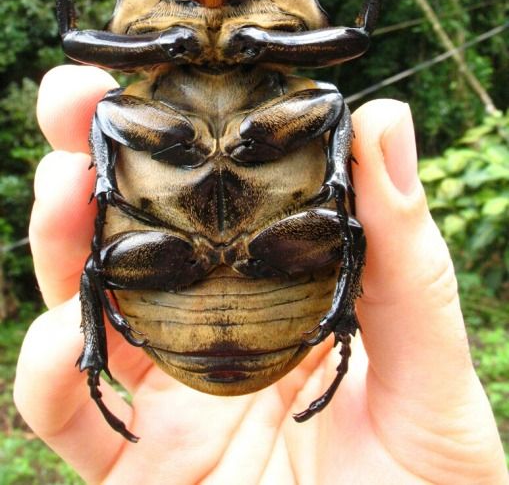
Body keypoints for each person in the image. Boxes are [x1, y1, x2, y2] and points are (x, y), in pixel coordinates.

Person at [14, 65, 507, 484]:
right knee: (96, 260)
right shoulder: (138, 110)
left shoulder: (292, 105)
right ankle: (96, 355)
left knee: (343, 218)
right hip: (222, 264)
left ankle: (338, 328)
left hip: (230, 265)